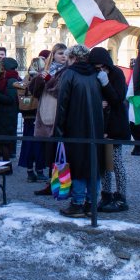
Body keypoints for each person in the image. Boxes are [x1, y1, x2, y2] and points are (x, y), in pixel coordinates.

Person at [54, 45, 105, 217]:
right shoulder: (96, 74)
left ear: (73, 58)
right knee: (93, 164)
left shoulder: (69, 74)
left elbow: (62, 105)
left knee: (77, 164)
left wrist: (59, 130)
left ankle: (77, 203)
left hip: (74, 126)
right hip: (96, 126)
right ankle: (91, 203)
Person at [89, 47, 131, 213]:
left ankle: (121, 196)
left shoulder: (116, 74)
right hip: (101, 124)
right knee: (103, 164)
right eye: (97, 67)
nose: (100, 70)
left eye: (102, 66)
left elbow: (118, 99)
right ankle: (105, 195)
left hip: (115, 124)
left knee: (115, 162)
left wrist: (106, 83)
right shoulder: (93, 74)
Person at [34, 44, 67, 196]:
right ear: (53, 55)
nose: (63, 56)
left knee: (58, 151)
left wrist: (49, 79)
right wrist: (38, 80)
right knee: (48, 152)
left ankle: (59, 185)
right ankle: (51, 183)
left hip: (58, 115)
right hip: (44, 113)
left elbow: (60, 92)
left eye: (65, 54)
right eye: (60, 53)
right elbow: (35, 91)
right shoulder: (47, 69)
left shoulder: (66, 71)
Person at [18, 57, 48, 181]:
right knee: (38, 145)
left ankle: (30, 171)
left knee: (28, 144)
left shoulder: (26, 78)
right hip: (38, 115)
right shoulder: (41, 78)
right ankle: (39, 171)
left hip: (27, 116)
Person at [0, 57, 21, 161]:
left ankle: (6, 170)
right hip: (2, 115)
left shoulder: (11, 80)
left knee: (4, 143)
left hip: (7, 117)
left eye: (1, 66)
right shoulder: (4, 79)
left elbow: (10, 99)